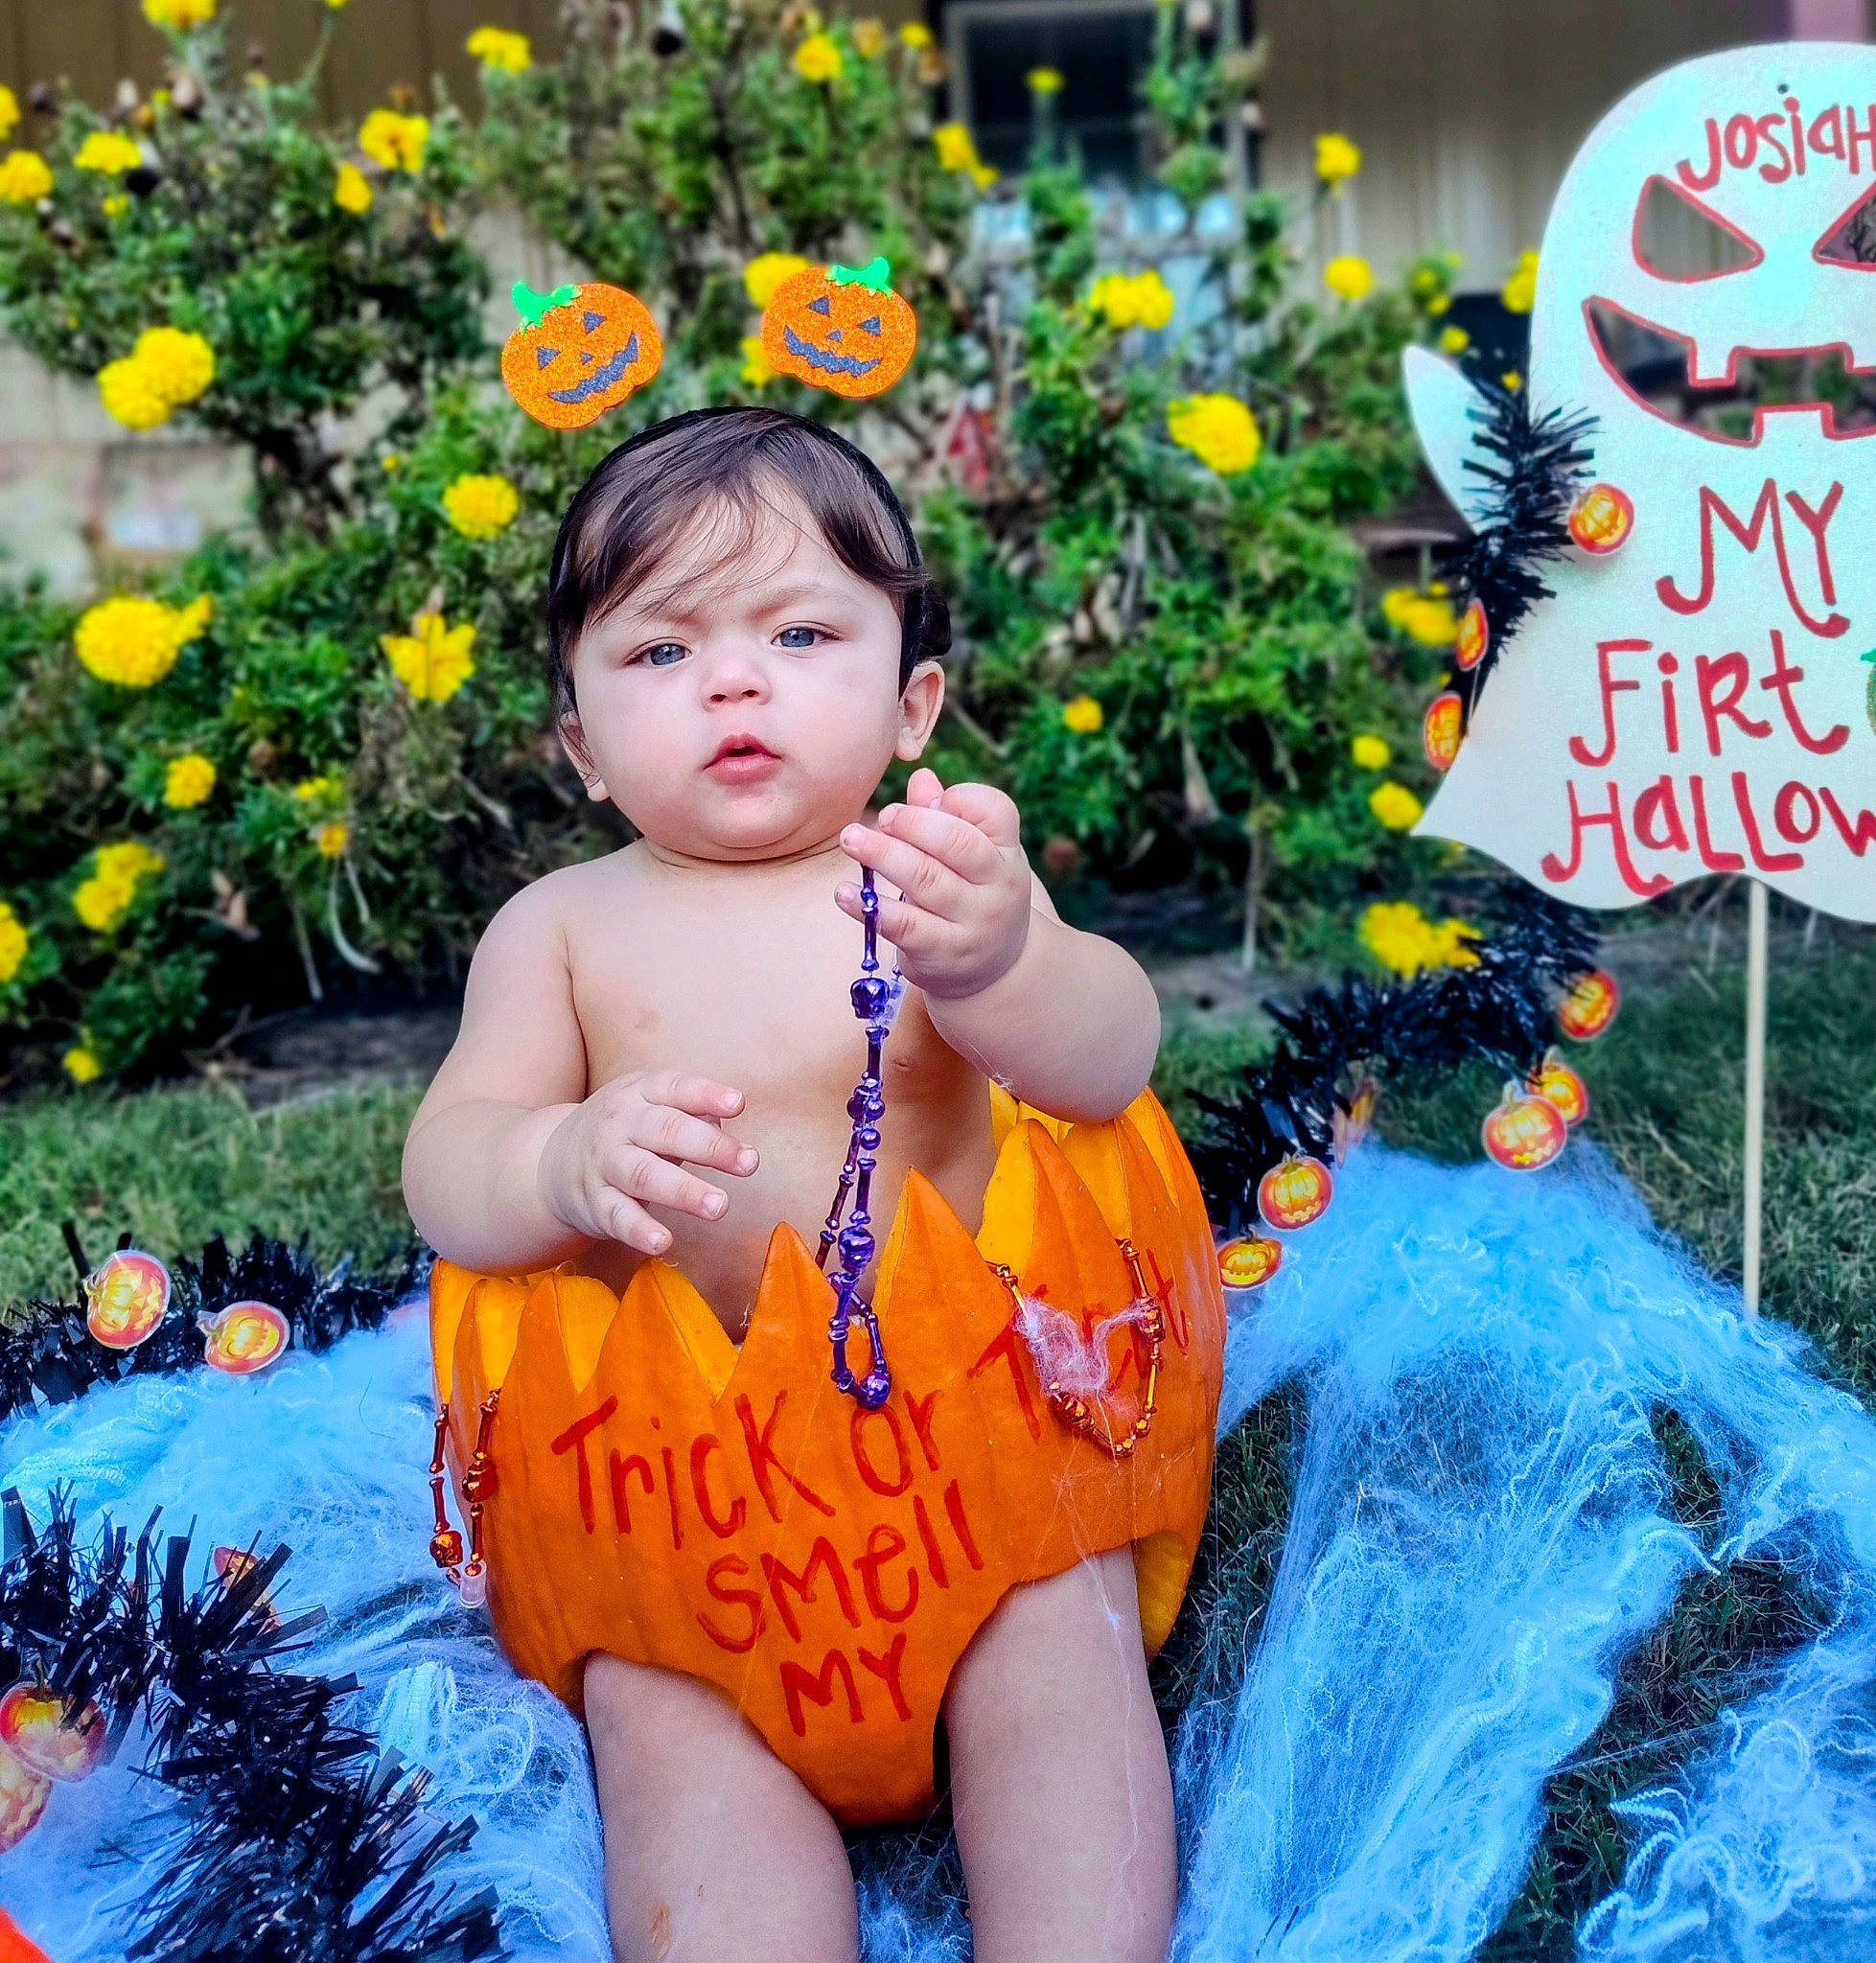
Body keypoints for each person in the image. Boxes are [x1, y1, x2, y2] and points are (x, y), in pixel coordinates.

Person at [402, 406, 1188, 1963]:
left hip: (979, 1449)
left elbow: (1106, 1068)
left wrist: (1009, 963)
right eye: (658, 653)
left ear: (911, 704)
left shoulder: (936, 878)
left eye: (798, 630)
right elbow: (448, 1175)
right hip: (678, 1509)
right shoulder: (560, 931)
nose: (732, 681)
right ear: (581, 745)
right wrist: (556, 1153)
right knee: (672, 1738)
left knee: (1058, 1659)